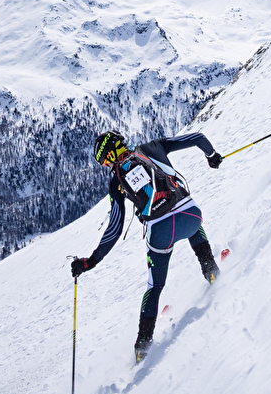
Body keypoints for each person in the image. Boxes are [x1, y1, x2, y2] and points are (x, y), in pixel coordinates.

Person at [71, 130, 224, 362]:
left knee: (155, 287)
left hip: (160, 233)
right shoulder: (154, 147)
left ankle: (143, 347)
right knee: (192, 223)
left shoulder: (117, 182)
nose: (106, 166)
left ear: (109, 156)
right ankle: (212, 273)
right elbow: (198, 138)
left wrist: (91, 261)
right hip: (190, 216)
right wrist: (211, 156)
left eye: (104, 161)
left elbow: (115, 228)